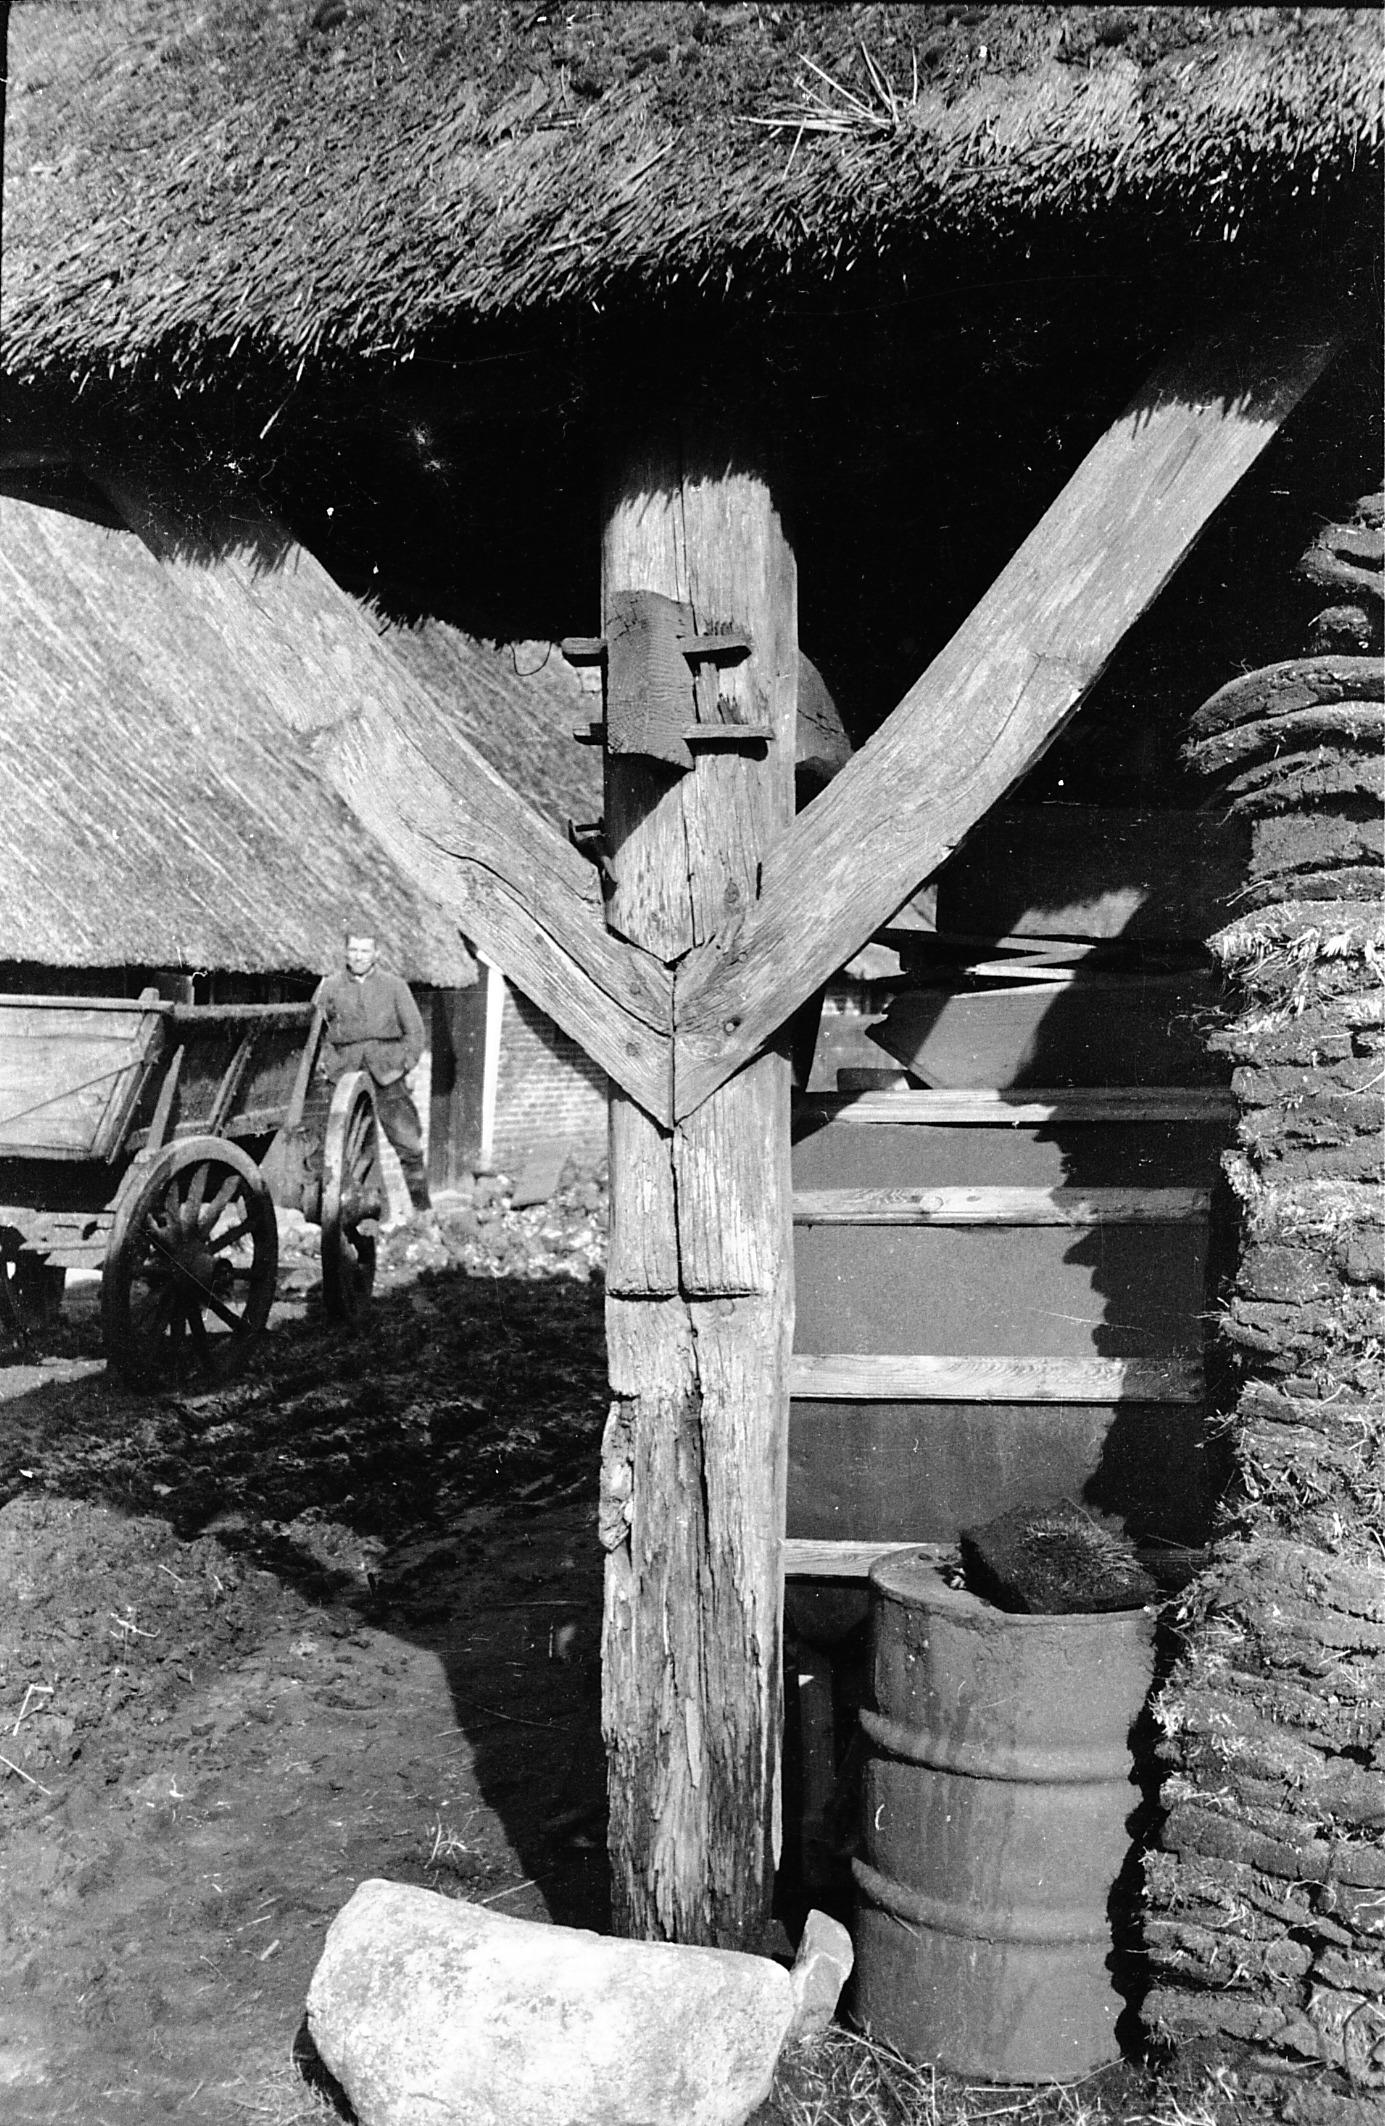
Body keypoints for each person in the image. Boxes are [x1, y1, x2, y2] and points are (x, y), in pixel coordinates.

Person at [314, 922, 433, 1215]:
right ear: (345, 952)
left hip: (388, 1074)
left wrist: (404, 1065)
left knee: (408, 1145)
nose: (358, 956)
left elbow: (415, 1032)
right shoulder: (330, 987)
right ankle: (349, 1214)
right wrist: (328, 1066)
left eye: (365, 951)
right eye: (353, 950)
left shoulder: (395, 986)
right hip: (345, 1078)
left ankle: (423, 1212)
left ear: (376, 954)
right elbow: (316, 1032)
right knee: (341, 1147)